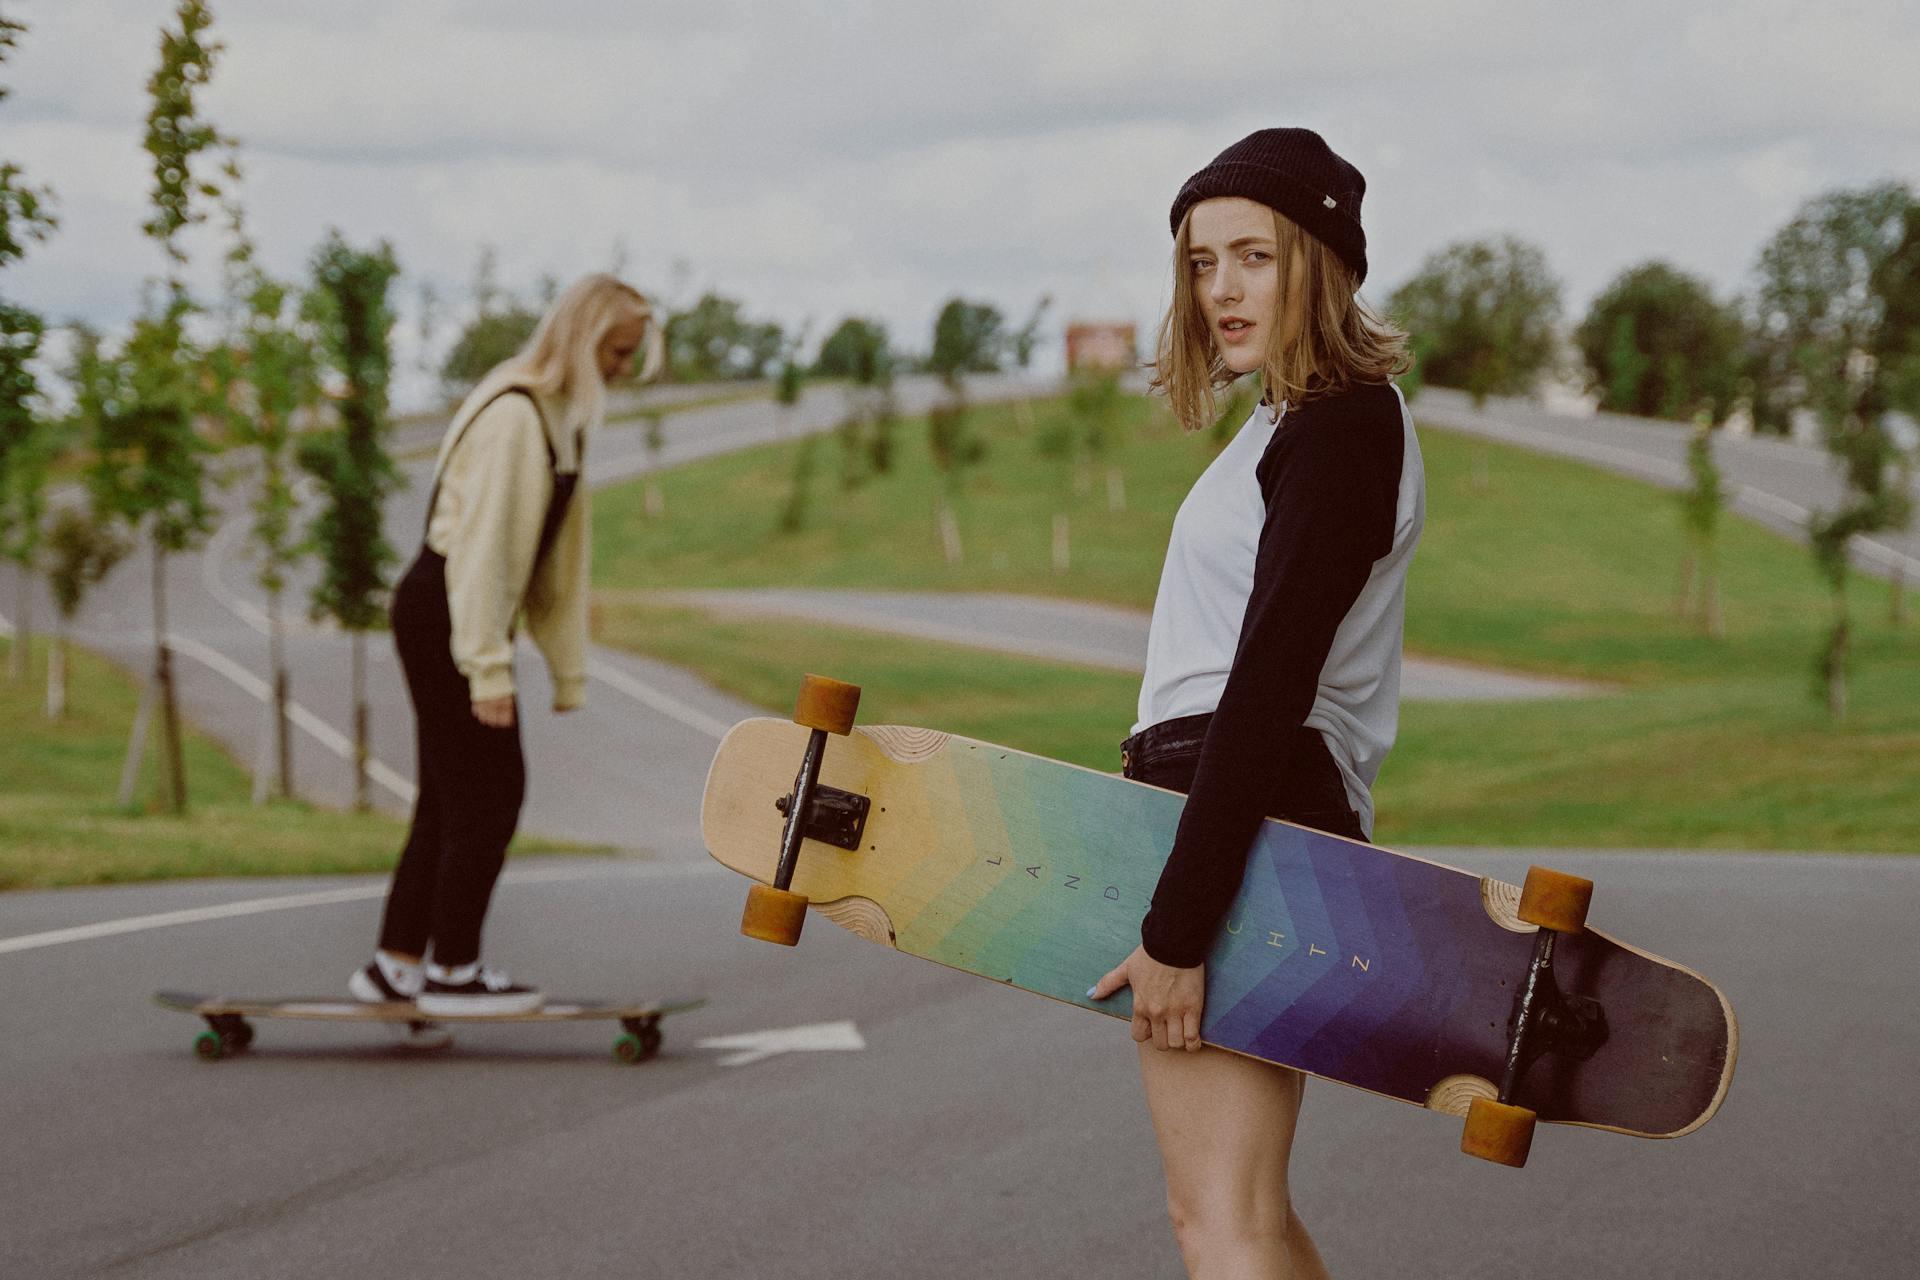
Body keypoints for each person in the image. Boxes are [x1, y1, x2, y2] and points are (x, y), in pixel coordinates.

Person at [1089, 128, 1425, 1277]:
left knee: (1220, 1217)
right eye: (1198, 261)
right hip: (1239, 812)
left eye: (1254, 256)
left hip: (1245, 822)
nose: (1220, 289)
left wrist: (1180, 928)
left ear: (1322, 263)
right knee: (1249, 1214)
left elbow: (1270, 683)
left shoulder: (1341, 425)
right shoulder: (1292, 419)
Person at [349, 274, 663, 1016]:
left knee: (454, 794)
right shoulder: (516, 416)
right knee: (492, 794)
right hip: (449, 608)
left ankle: (396, 967)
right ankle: (452, 971)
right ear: (583, 342)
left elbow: (555, 560)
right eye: (617, 352)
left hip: (456, 609)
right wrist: (487, 668)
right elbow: (486, 554)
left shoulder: (559, 416)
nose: (622, 368)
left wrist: (565, 666)